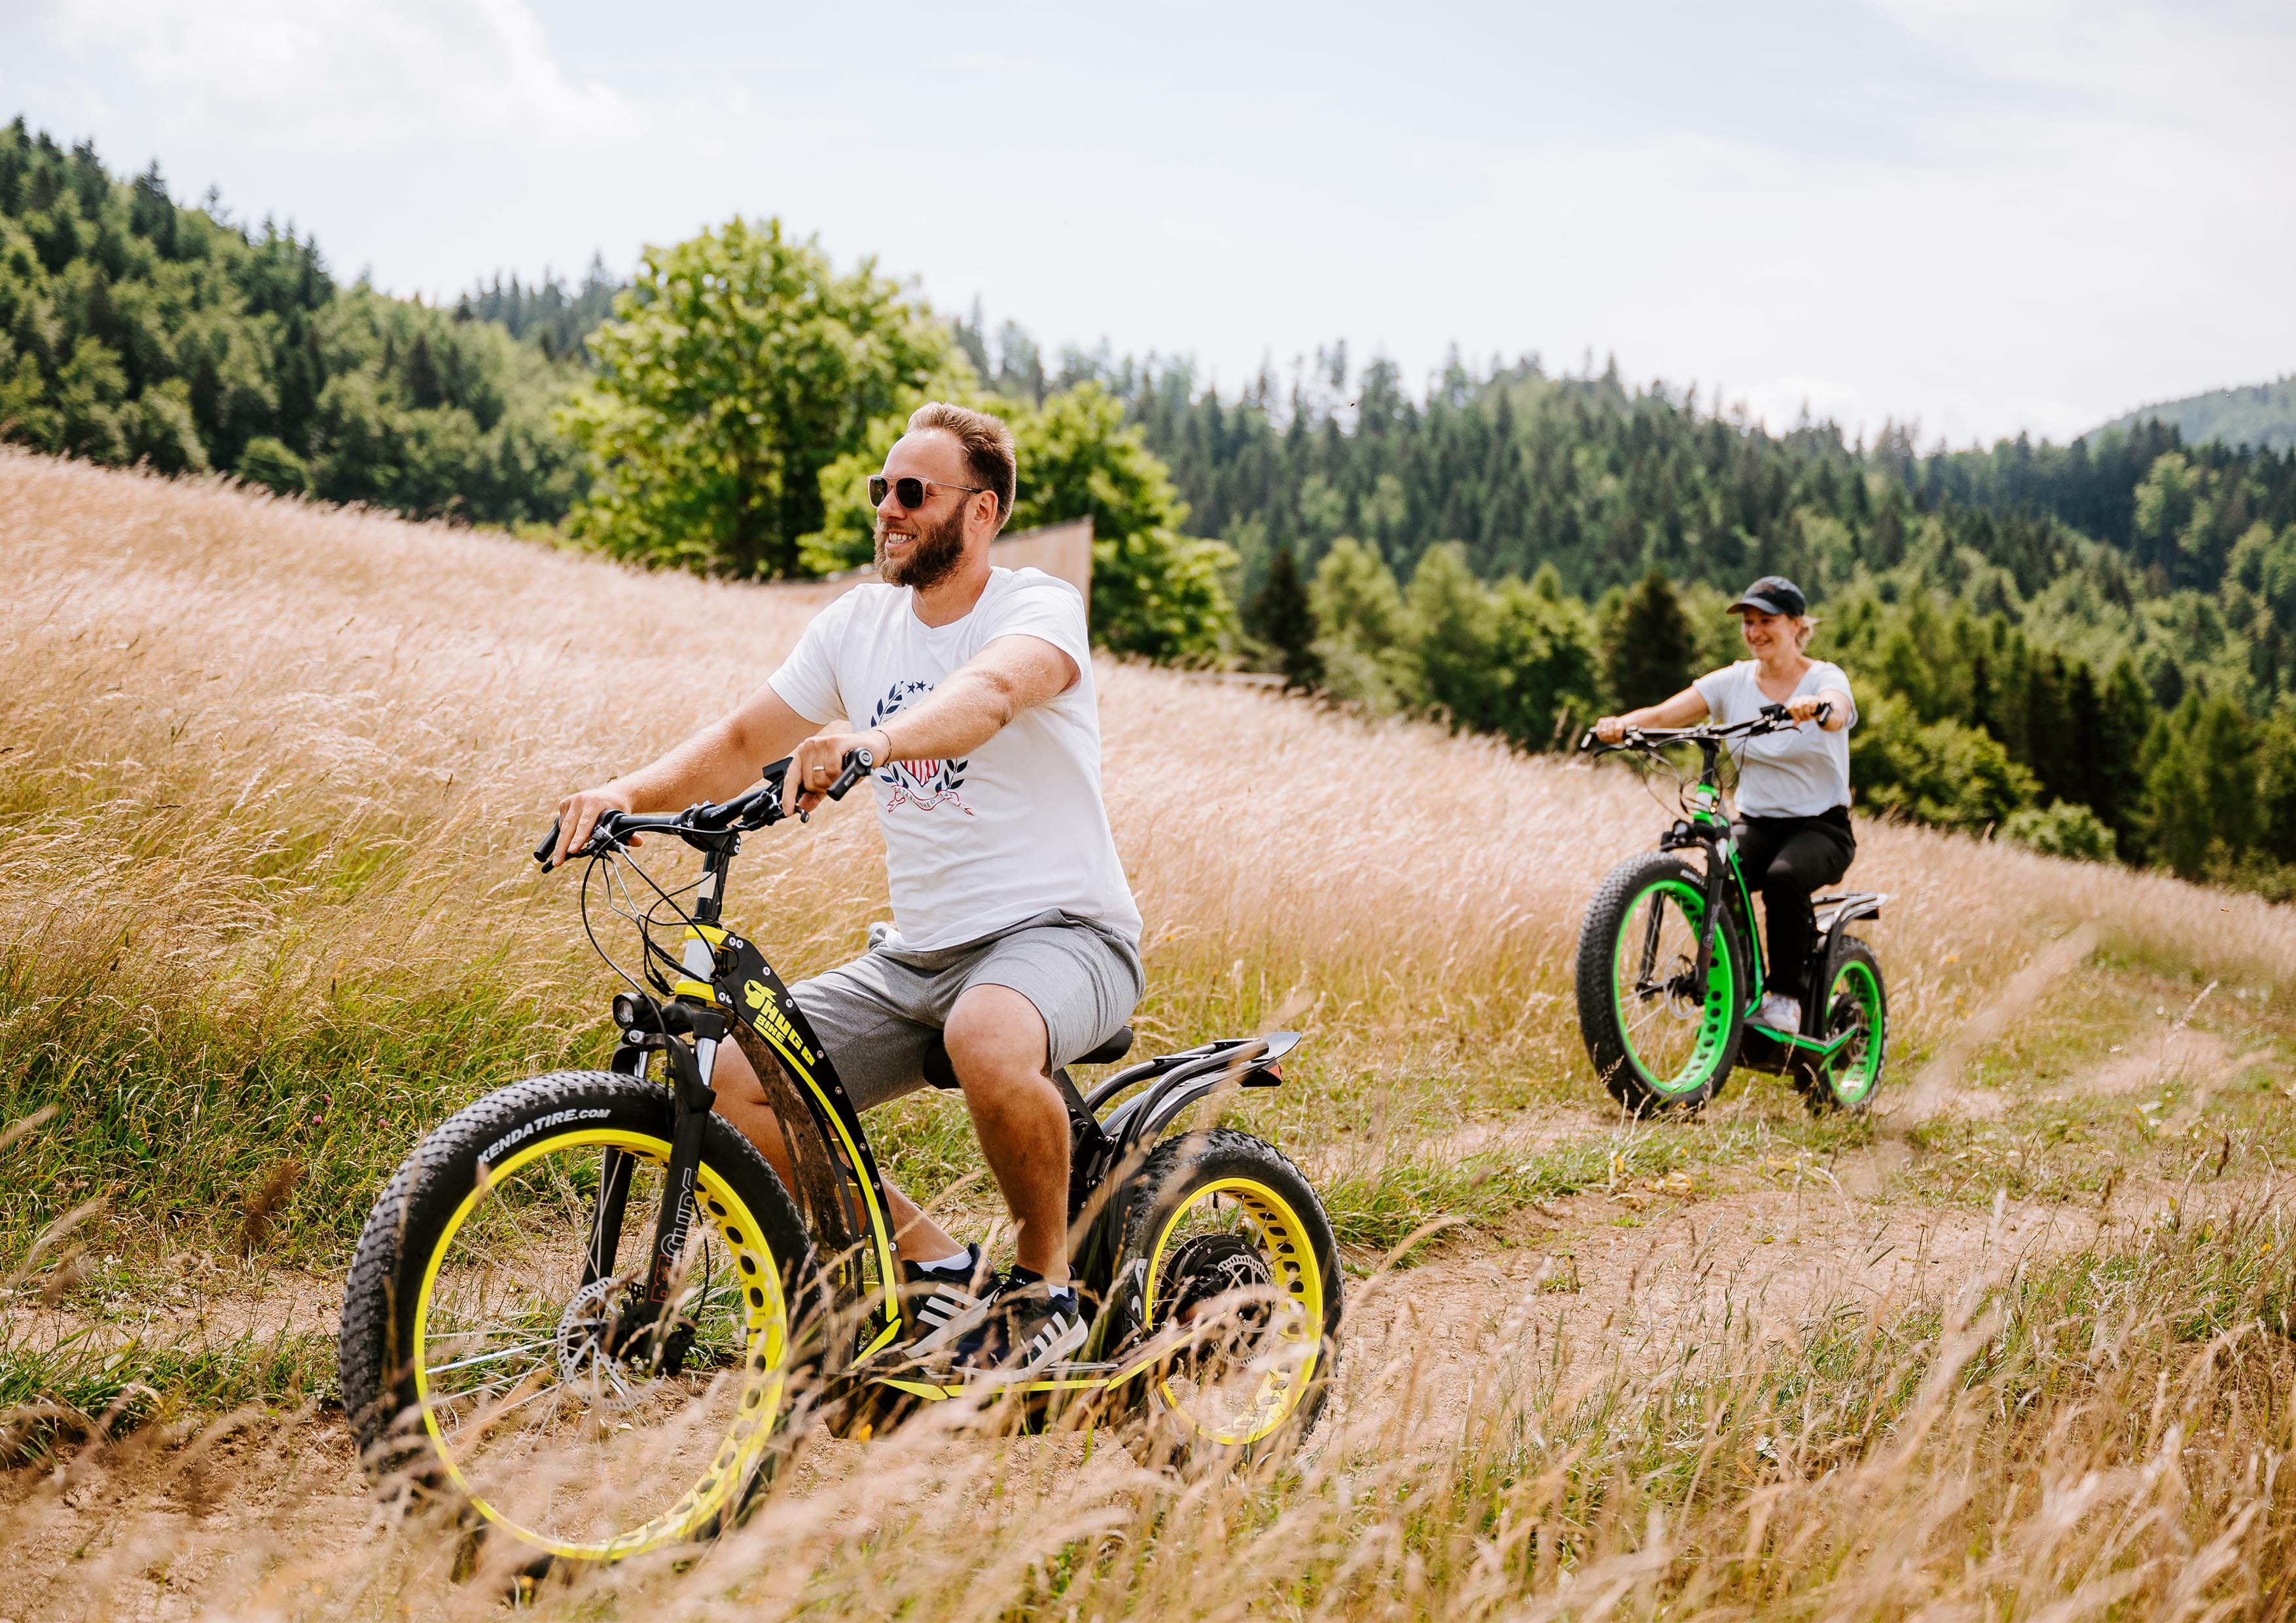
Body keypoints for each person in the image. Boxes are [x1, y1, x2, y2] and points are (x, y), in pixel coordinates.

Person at [550, 402, 1141, 1377]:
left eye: (913, 491)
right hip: (919, 955)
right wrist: (627, 795)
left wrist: (875, 739)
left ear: (982, 511)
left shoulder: (1036, 608)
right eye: (882, 489)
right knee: (728, 1075)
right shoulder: (859, 626)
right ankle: (937, 1269)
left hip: (1067, 935)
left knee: (987, 1035)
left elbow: (991, 695)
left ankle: (1048, 1291)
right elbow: (743, 740)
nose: (888, 509)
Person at [1592, 575, 1857, 1033]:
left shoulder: (1823, 678)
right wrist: (1618, 726)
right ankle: (1740, 989)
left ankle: (1786, 998)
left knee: (1783, 878)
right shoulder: (1732, 681)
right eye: (1748, 622)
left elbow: (1838, 711)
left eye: (1766, 621)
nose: (1754, 631)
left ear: (1796, 625)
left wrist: (1816, 708)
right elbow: (1661, 715)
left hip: (1821, 827)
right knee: (1721, 870)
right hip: (1758, 823)